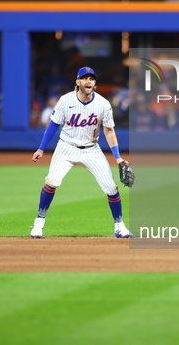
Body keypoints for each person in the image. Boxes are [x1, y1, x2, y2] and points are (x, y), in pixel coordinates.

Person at [30, 66, 133, 239]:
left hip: (91, 149)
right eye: (85, 78)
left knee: (111, 188)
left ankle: (119, 226)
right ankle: (39, 222)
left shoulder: (103, 104)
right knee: (51, 182)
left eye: (92, 79)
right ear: (78, 82)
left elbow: (109, 131)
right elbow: (54, 124)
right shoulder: (65, 100)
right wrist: (41, 148)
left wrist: (118, 158)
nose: (88, 81)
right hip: (66, 146)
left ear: (95, 83)